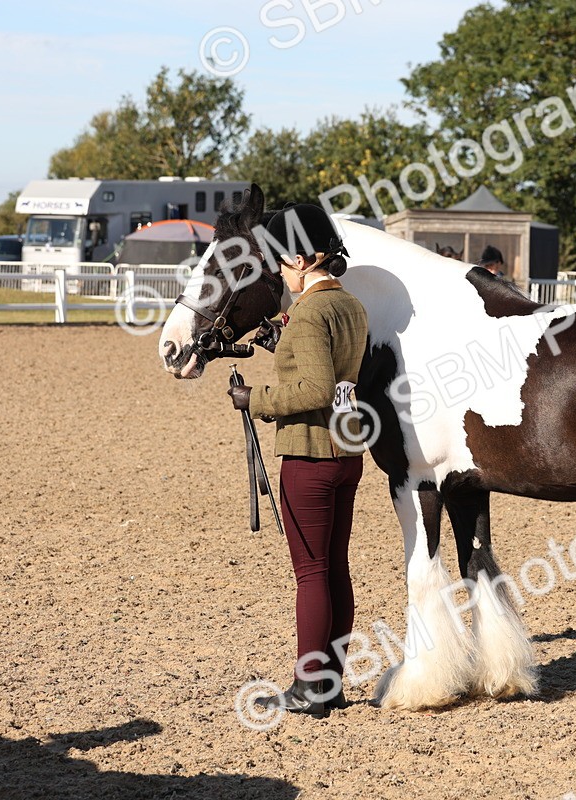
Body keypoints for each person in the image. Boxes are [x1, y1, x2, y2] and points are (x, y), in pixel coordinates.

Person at [227, 204, 369, 717]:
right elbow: (331, 369)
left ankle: (309, 687)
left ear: (306, 260)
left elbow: (314, 387)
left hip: (309, 454)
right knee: (335, 568)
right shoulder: (349, 304)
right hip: (346, 452)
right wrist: (278, 339)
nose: (281, 273)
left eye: (284, 264)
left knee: (310, 572)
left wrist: (256, 401)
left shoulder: (309, 312)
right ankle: (330, 681)